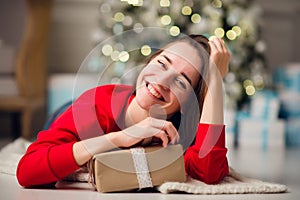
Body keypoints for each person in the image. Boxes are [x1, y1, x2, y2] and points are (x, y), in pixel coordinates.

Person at [16, 34, 230, 188]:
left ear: (187, 105)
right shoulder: (94, 106)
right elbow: (27, 171)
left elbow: (209, 172)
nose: (162, 81)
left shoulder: (180, 132)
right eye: (162, 63)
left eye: (181, 82)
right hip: (75, 110)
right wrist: (120, 138)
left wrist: (214, 81)